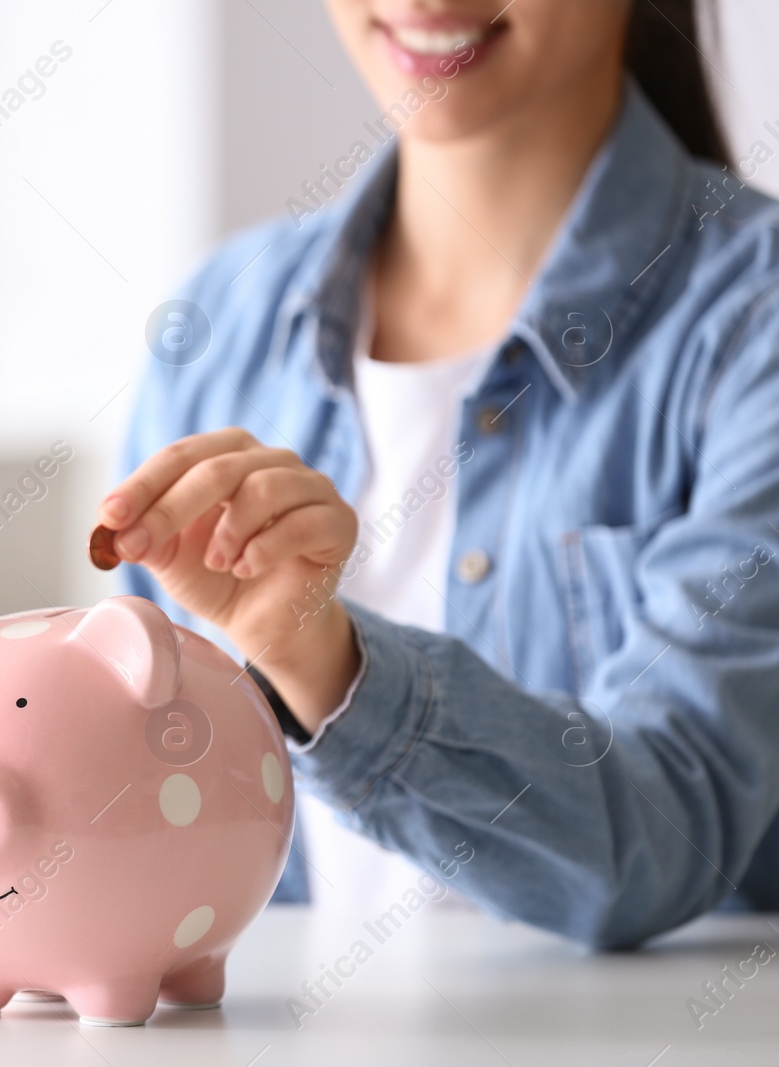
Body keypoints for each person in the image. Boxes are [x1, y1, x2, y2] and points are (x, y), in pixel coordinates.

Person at [103, 0, 779, 948]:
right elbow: (138, 812)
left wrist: (327, 663)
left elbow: (664, 831)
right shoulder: (218, 324)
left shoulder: (754, 326)